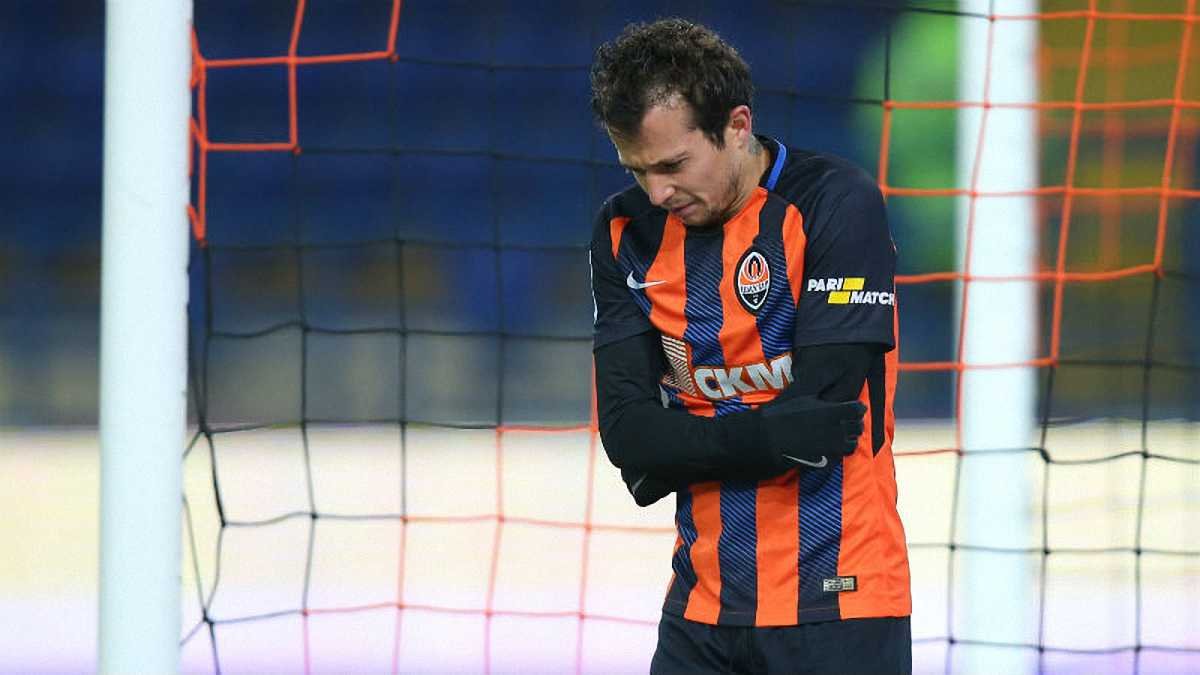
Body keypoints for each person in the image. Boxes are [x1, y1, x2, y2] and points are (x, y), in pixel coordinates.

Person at [588, 18, 912, 674]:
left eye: (673, 165)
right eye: (638, 170)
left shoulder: (834, 203)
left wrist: (677, 449)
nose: (657, 192)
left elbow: (819, 423)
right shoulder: (624, 230)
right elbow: (627, 438)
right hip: (700, 610)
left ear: (738, 126)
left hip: (841, 602)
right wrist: (761, 435)